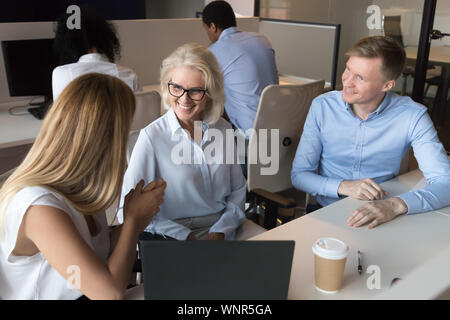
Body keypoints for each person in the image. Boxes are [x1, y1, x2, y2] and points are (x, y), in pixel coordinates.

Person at [0, 73, 166, 300]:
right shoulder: (40, 209)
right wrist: (133, 221)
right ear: (103, 139)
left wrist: (133, 222)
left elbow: (92, 249)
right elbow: (108, 294)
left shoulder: (81, 187)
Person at [291, 36, 450, 229]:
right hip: (326, 213)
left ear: (387, 85)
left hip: (382, 214)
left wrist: (394, 205)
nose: (347, 82)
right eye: (348, 69)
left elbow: (445, 183)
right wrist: (345, 186)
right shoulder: (322, 106)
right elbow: (299, 175)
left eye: (360, 78)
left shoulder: (412, 116)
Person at [118, 43, 246, 241]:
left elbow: (237, 191)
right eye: (176, 88)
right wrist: (185, 237)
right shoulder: (152, 138)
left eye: (195, 91)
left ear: (210, 93)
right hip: (172, 235)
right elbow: (124, 212)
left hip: (222, 228)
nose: (184, 99)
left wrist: (220, 231)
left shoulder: (223, 129)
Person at [201, 0, 279, 134]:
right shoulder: (262, 39)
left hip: (250, 129)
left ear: (213, 27)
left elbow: (205, 87)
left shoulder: (215, 51)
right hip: (278, 121)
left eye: (206, 29)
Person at [51, 5, 139, 101]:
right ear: (106, 36)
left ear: (67, 42)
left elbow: (61, 114)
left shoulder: (61, 74)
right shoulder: (129, 75)